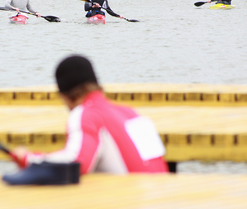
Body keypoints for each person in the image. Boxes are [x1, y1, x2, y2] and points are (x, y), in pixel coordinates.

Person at [11, 55, 169, 175]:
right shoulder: (131, 113)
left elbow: (76, 163)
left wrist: (27, 158)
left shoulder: (86, 114)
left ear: (64, 95)